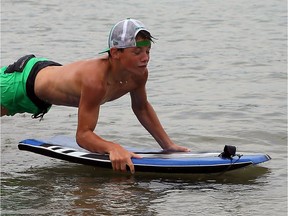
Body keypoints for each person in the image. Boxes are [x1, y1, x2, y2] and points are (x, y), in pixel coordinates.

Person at [1, 18, 190, 173]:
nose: (145, 57)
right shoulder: (96, 80)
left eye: (148, 51)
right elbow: (82, 135)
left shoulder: (139, 75)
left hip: (41, 90)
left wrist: (168, 145)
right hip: (17, 85)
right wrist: (112, 147)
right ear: (115, 53)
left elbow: (141, 107)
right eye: (137, 52)